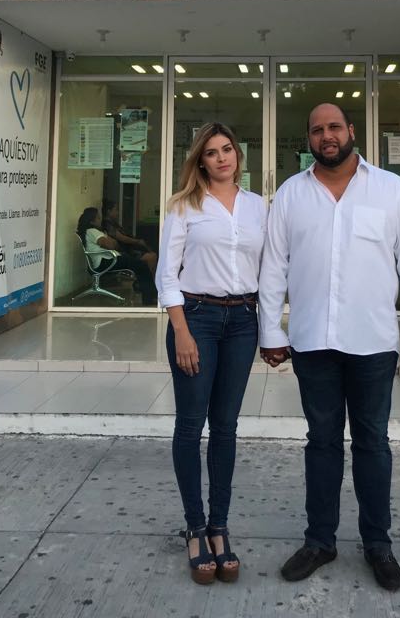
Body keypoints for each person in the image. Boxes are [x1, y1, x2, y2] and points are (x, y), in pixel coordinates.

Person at [259, 103, 400, 592]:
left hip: (373, 342)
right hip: (312, 340)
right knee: (322, 442)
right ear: (309, 139)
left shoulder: (390, 190)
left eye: (334, 127)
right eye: (317, 130)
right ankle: (320, 541)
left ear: (351, 131)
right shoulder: (291, 194)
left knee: (373, 443)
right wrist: (270, 330)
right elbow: (273, 266)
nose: (327, 136)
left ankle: (378, 544)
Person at [155, 122, 266, 585]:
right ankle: (195, 528)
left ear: (238, 154)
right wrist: (181, 331)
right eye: (212, 152)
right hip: (196, 318)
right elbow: (166, 275)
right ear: (199, 160)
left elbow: (271, 269)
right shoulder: (184, 206)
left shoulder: (259, 206)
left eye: (227, 149)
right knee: (190, 424)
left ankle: (219, 526)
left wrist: (273, 328)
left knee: (225, 427)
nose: (222, 158)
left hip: (242, 321)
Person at [101, 199, 158, 305]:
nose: (118, 212)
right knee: (151, 258)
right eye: (116, 210)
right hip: (122, 253)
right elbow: (121, 238)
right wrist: (137, 241)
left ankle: (147, 285)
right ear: (109, 211)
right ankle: (146, 286)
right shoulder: (107, 224)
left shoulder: (113, 223)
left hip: (127, 250)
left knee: (152, 255)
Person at [76, 206, 142, 284]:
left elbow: (114, 244)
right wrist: (111, 241)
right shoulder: (92, 231)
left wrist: (112, 242)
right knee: (140, 265)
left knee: (138, 263)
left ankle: (140, 286)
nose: (100, 220)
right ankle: (146, 289)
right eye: (98, 218)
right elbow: (111, 245)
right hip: (106, 261)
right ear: (92, 222)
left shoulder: (93, 232)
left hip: (108, 260)